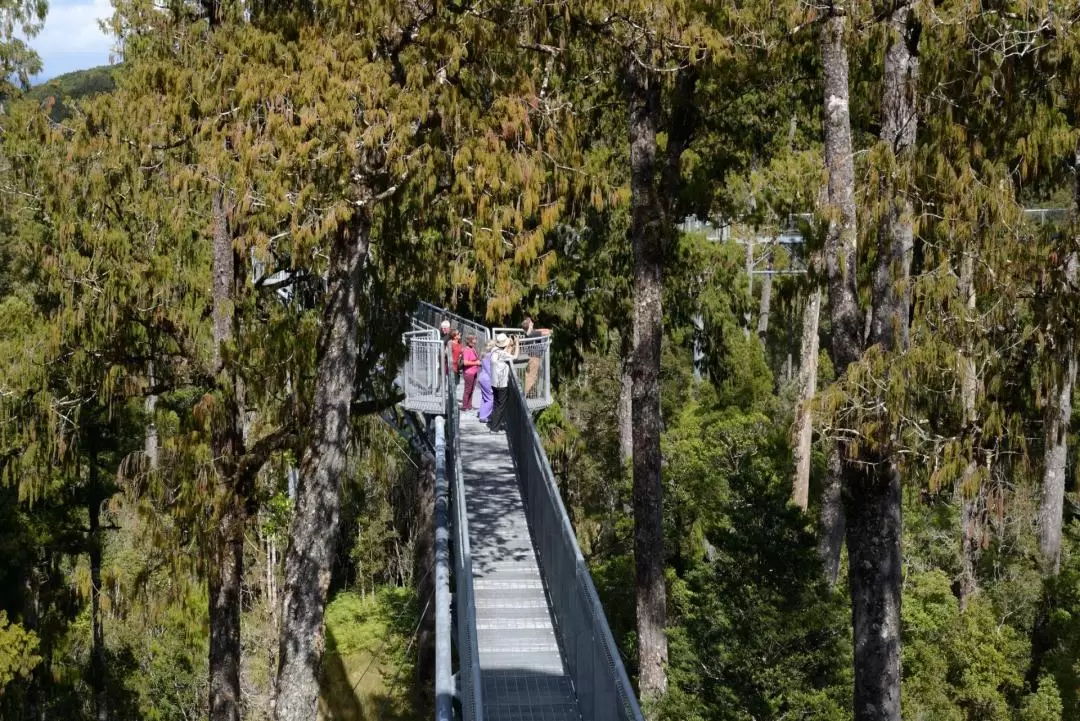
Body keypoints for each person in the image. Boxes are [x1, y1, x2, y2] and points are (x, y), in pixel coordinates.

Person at [486, 333, 518, 432]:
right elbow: (515, 356)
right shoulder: (502, 354)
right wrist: (517, 344)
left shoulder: (494, 350)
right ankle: (495, 428)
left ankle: (494, 424)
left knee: (496, 404)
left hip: (494, 382)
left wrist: (507, 345)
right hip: (501, 384)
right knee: (500, 406)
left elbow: (503, 350)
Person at [520, 316, 550, 397]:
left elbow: (538, 331)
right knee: (532, 377)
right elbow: (547, 332)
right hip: (534, 357)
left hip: (531, 356)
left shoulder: (529, 333)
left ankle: (527, 394)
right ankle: (524, 396)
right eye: (531, 322)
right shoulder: (533, 334)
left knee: (529, 375)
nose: (533, 323)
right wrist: (550, 330)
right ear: (529, 325)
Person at [460, 335, 481, 410]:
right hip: (469, 373)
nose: (476, 341)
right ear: (470, 341)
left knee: (472, 389)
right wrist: (476, 363)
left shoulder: (473, 349)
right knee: (467, 390)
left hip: (474, 372)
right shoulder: (467, 350)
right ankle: (464, 406)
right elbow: (465, 362)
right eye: (474, 340)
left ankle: (469, 405)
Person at [477, 340, 496, 423]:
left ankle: (482, 413)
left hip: (482, 377)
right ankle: (484, 416)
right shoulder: (491, 355)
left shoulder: (484, 355)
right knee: (490, 399)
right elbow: (490, 370)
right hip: (487, 379)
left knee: (485, 398)